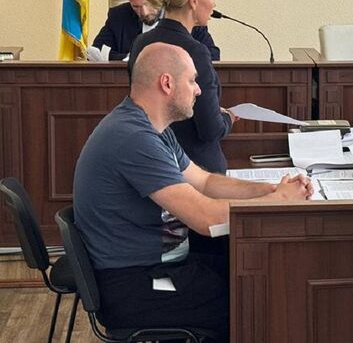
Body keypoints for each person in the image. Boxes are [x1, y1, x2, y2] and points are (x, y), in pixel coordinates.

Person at [73, 43, 313, 341]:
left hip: (160, 267)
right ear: (167, 83)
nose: (199, 90)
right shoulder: (133, 137)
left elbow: (205, 182)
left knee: (258, 278)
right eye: (192, 80)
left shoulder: (154, 128)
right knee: (256, 299)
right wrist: (278, 201)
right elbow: (205, 218)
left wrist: (272, 189)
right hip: (135, 284)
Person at [127, 0, 235, 257]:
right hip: (197, 178)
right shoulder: (195, 51)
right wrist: (228, 118)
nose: (214, 3)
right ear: (194, 1)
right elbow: (210, 128)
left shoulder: (141, 43)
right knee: (216, 264)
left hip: (154, 166)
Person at [90, 0, 220, 61]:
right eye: (136, 6)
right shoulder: (119, 15)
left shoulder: (182, 14)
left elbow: (213, 54)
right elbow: (97, 50)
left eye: (148, 3)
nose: (144, 12)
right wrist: (132, 58)